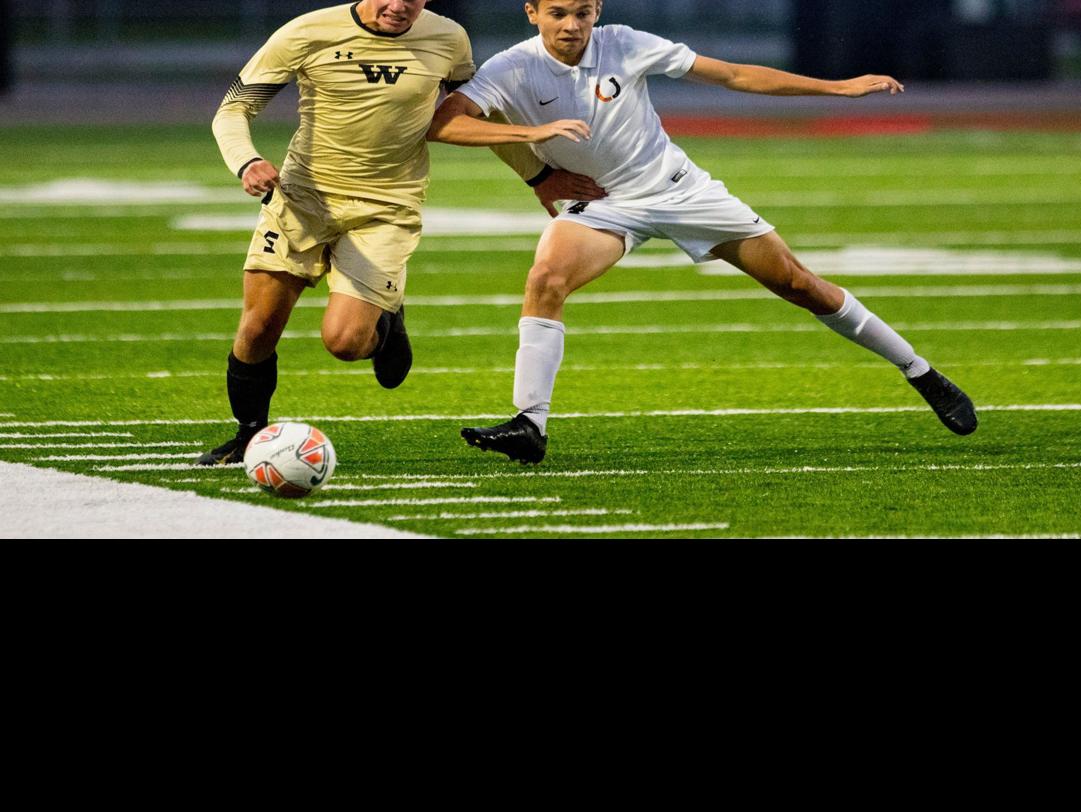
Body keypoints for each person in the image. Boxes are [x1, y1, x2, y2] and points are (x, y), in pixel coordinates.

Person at [429, 0, 978, 466]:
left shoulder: (624, 42)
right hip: (603, 205)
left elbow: (734, 75)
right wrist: (537, 137)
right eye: (557, 12)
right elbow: (446, 121)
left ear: (598, 11)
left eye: (583, 11)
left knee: (799, 284)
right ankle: (530, 424)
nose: (571, 24)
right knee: (546, 279)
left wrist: (837, 88)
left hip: (680, 190)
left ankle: (921, 372)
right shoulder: (511, 68)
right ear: (532, 12)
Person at [196, 0, 607, 466]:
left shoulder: (448, 38)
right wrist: (246, 161)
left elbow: (474, 114)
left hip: (387, 207)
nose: (398, 7)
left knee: (346, 343)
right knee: (258, 327)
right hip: (301, 198)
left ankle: (385, 327)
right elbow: (234, 109)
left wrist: (537, 176)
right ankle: (250, 434)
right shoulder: (306, 31)